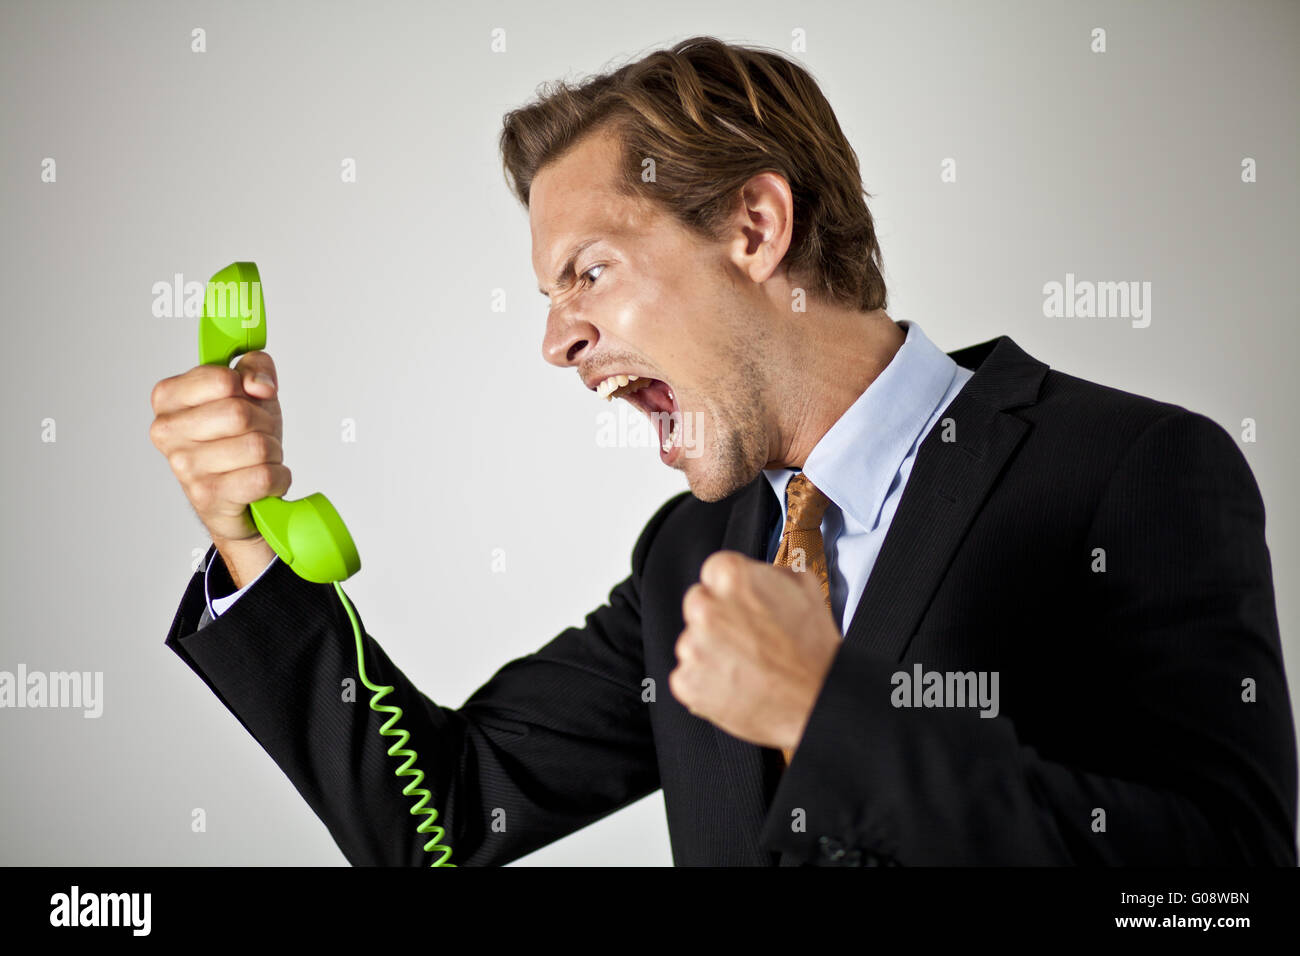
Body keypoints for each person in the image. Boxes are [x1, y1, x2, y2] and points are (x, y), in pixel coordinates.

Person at [148, 36, 1297, 865]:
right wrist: (243, 541)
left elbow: (1223, 882)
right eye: (549, 293)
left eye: (588, 271)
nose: (556, 340)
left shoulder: (1135, 466)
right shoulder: (687, 555)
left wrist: (827, 714)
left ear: (755, 227)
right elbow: (439, 815)